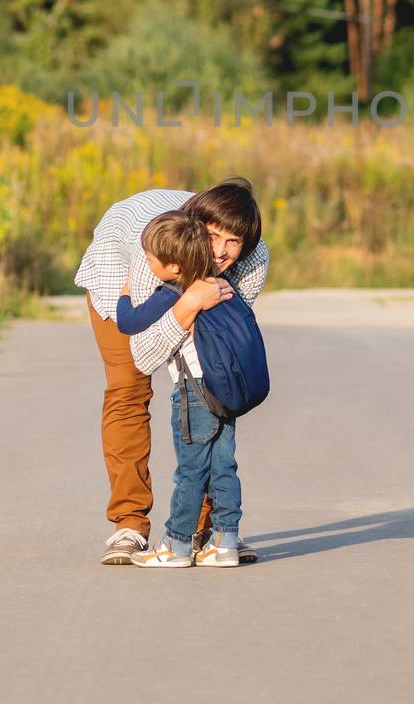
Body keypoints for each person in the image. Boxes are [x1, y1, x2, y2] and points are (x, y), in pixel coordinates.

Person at [75, 177, 268, 565]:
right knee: (128, 390)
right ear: (197, 229)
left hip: (180, 283)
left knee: (211, 395)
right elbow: (145, 353)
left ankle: (208, 531)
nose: (221, 252)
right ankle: (129, 524)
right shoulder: (159, 255)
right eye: (213, 237)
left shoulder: (253, 259)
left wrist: (198, 307)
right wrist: (187, 304)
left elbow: (223, 349)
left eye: (233, 242)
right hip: (122, 279)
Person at [116, 211, 249, 567]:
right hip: (225, 389)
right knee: (224, 466)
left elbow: (130, 322)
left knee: (191, 470)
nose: (146, 263)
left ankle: (175, 545)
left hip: (195, 392)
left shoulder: (176, 289)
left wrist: (126, 293)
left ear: (174, 266)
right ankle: (225, 543)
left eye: (149, 259)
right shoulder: (218, 284)